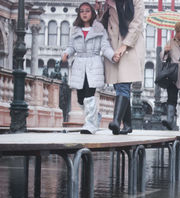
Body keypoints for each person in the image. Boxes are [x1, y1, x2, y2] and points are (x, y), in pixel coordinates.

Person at [61, 2, 117, 134]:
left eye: (87, 11)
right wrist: (66, 53)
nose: (84, 13)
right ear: (79, 14)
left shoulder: (99, 29)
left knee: (89, 95)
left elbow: (105, 46)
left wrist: (112, 56)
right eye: (82, 11)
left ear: (92, 13)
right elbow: (71, 47)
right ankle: (95, 116)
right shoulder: (74, 30)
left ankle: (90, 125)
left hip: (93, 64)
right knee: (80, 99)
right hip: (79, 64)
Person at [100, 0, 145, 135]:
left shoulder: (137, 2)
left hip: (130, 46)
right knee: (119, 85)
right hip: (113, 47)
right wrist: (100, 10)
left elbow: (136, 25)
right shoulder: (108, 3)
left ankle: (116, 121)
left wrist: (124, 46)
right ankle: (127, 124)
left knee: (123, 85)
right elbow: (100, 25)